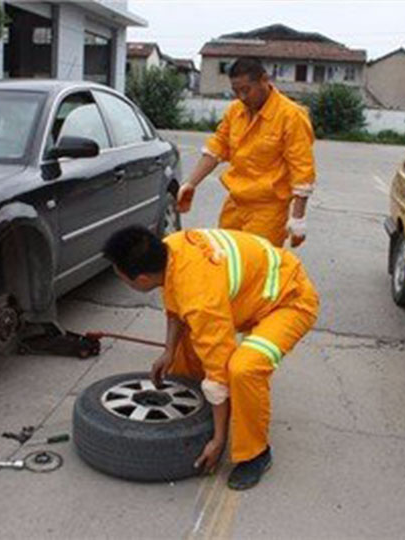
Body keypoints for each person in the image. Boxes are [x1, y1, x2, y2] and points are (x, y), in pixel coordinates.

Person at [103, 225, 319, 490]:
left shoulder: (200, 297)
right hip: (252, 294)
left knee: (243, 369)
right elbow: (176, 306)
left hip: (289, 302)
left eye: (121, 277)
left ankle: (256, 454)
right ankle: (203, 416)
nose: (120, 280)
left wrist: (219, 440)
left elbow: (218, 372)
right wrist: (169, 350)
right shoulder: (171, 248)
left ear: (143, 279)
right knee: (186, 350)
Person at [177, 57, 316, 248]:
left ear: (264, 80)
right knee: (228, 258)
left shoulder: (291, 116)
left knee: (258, 266)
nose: (241, 97)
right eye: (236, 91)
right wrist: (191, 183)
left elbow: (302, 169)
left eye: (246, 90)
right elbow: (217, 147)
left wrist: (298, 218)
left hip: (268, 210)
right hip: (235, 203)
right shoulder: (235, 111)